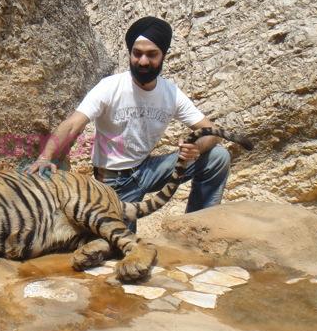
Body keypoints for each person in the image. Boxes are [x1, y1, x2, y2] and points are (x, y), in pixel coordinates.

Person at [27, 16, 230, 231]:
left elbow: (211, 131)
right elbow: (73, 124)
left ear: (163, 56)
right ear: (130, 53)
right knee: (119, 247)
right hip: (114, 182)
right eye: (137, 53)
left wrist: (196, 149)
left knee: (218, 157)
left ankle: (196, 229)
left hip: (148, 169)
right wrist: (45, 157)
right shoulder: (110, 87)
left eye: (152, 54)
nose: (143, 61)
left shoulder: (170, 92)